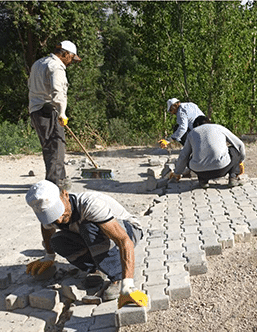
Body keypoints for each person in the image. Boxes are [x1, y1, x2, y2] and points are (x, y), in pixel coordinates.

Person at [25, 180, 148, 308]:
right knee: (58, 241)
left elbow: (124, 240)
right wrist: (49, 256)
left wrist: (127, 285)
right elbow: (46, 228)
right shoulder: (49, 217)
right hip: (94, 234)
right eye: (52, 216)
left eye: (58, 211)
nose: (59, 220)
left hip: (128, 231)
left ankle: (117, 277)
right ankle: (96, 269)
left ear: (65, 195)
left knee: (88, 227)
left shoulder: (90, 205)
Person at [28, 40, 82, 191]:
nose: (71, 62)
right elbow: (58, 91)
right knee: (56, 146)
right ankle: (56, 184)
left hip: (35, 110)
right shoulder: (56, 66)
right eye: (71, 58)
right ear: (65, 54)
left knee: (48, 147)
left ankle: (58, 179)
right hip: (48, 111)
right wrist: (62, 113)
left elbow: (30, 86)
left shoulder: (38, 63)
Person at [170, 116, 245, 188]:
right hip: (221, 169)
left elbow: (184, 155)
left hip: (201, 172)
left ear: (197, 125)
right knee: (235, 149)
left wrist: (177, 173)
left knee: (192, 156)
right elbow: (240, 144)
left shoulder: (192, 133)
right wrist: (241, 161)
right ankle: (233, 177)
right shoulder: (219, 127)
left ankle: (203, 180)